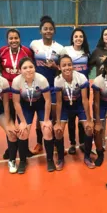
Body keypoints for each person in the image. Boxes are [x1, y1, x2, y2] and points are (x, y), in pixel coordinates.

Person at [11, 57, 54, 173]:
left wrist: (46, 120)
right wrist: (23, 122)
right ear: (20, 70)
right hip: (25, 106)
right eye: (25, 68)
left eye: (31, 67)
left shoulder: (42, 79)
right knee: (23, 132)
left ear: (35, 68)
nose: (28, 70)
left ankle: (50, 160)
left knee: (47, 130)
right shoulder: (16, 81)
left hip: (41, 104)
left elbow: (48, 100)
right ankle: (23, 161)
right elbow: (16, 102)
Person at [0, 28, 33, 160]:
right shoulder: (2, 51)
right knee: (10, 121)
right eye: (11, 38)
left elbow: (30, 65)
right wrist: (6, 76)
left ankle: (25, 147)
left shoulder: (26, 51)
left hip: (23, 93)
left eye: (16, 38)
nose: (13, 40)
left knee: (24, 121)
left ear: (20, 39)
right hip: (7, 94)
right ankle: (11, 147)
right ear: (7, 40)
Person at [30, 16, 64, 155]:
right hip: (39, 87)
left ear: (54, 31)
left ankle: (55, 143)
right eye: (45, 29)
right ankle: (39, 143)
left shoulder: (60, 48)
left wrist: (55, 66)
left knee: (55, 115)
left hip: (54, 86)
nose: (48, 31)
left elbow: (63, 68)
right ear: (40, 31)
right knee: (40, 116)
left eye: (50, 29)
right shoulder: (34, 44)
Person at [53, 55, 94, 169]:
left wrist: (89, 120)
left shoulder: (81, 78)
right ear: (59, 67)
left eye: (69, 65)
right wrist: (57, 122)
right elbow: (59, 102)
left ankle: (87, 157)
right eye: (64, 65)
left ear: (73, 66)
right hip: (65, 107)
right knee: (58, 131)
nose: (67, 67)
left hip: (79, 106)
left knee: (89, 129)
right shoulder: (58, 80)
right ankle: (61, 158)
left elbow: (85, 100)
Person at [60, 28, 91, 155]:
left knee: (82, 115)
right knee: (71, 117)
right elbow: (60, 65)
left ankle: (82, 142)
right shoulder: (65, 50)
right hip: (68, 88)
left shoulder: (87, 53)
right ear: (72, 38)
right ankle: (72, 143)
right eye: (76, 36)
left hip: (83, 87)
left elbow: (90, 67)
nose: (78, 38)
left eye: (81, 36)